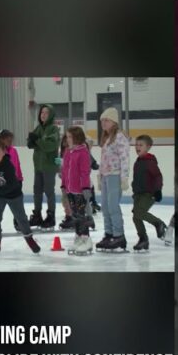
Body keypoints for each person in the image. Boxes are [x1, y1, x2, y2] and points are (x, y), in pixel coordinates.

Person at [0, 138, 41, 257]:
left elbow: (12, 184)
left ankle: (30, 240)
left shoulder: (8, 166)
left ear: (4, 153)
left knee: (21, 219)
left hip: (13, 195)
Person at [96, 108, 131, 252]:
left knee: (113, 207)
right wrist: (99, 176)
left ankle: (119, 235)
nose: (103, 123)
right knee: (104, 206)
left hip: (115, 175)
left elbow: (125, 158)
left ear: (114, 121)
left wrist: (124, 177)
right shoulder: (107, 138)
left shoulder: (120, 137)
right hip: (105, 176)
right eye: (102, 121)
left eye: (106, 120)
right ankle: (109, 234)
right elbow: (104, 159)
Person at [61, 126, 94, 255]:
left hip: (80, 190)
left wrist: (85, 187)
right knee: (74, 215)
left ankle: (86, 239)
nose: (67, 139)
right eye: (67, 136)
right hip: (70, 190)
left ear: (76, 137)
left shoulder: (83, 152)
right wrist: (64, 185)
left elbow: (85, 172)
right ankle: (78, 237)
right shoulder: (68, 152)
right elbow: (64, 170)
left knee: (81, 215)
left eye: (70, 137)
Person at [131, 135, 168, 251]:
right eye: (136, 145)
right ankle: (143, 240)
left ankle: (158, 223)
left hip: (149, 193)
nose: (137, 147)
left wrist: (158, 190)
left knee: (139, 212)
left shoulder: (150, 162)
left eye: (141, 145)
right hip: (138, 194)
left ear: (148, 147)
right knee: (136, 217)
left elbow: (158, 176)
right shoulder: (138, 162)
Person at [27, 103, 60, 229]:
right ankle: (37, 215)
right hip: (38, 166)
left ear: (51, 115)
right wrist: (32, 141)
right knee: (37, 191)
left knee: (49, 191)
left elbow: (49, 146)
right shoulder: (38, 128)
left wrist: (37, 141)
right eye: (42, 112)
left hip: (49, 166)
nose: (43, 115)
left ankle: (51, 216)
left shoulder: (53, 129)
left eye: (46, 113)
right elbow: (32, 144)